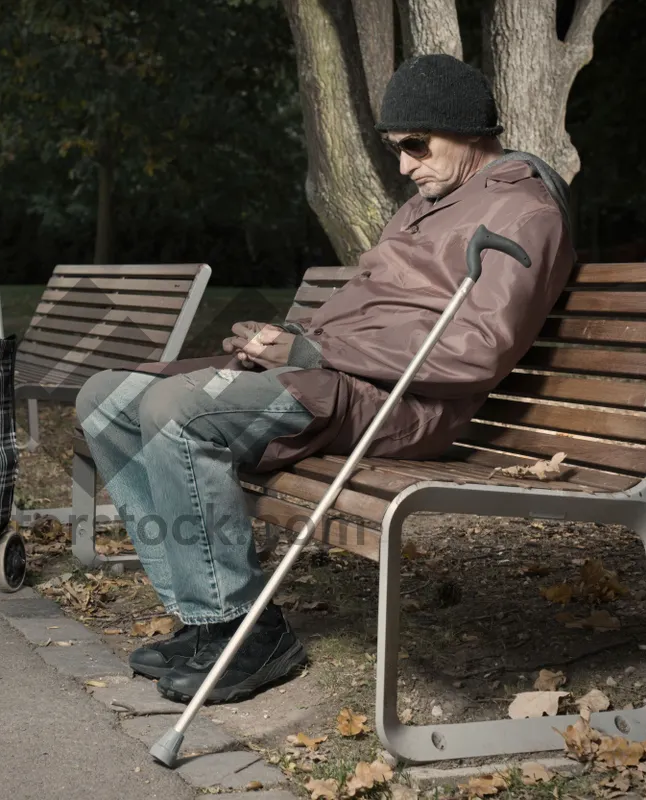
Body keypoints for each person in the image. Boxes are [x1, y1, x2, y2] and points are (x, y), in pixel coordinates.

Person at [74, 54, 577, 705]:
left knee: (176, 409)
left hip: (401, 403)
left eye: (415, 146)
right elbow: (369, 310)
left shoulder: (522, 215)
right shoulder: (430, 203)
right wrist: (283, 344)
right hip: (335, 377)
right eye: (397, 149)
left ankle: (245, 631)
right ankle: (207, 621)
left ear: (469, 131)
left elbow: (476, 352)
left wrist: (311, 347)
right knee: (106, 398)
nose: (404, 165)